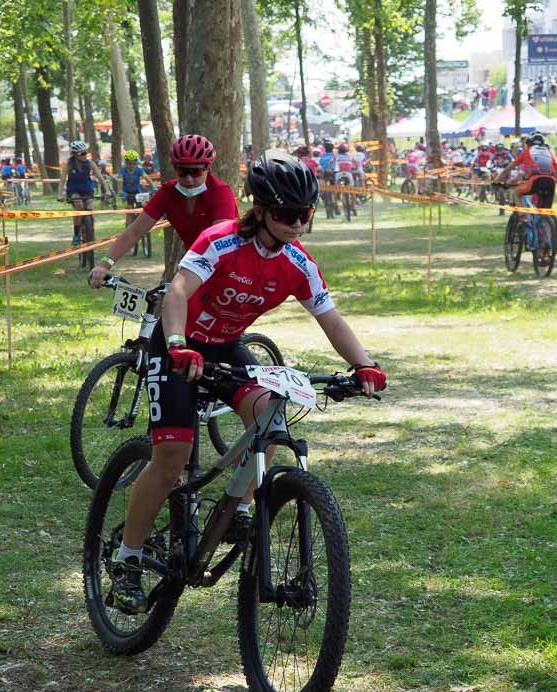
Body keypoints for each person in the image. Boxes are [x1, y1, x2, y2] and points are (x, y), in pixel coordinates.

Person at [95, 150, 386, 614]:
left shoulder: (298, 261)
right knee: (171, 459)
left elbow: (330, 318)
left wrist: (363, 364)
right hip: (177, 343)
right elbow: (177, 292)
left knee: (270, 413)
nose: (298, 224)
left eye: (306, 214)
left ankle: (239, 509)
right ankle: (127, 558)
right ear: (262, 210)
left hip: (225, 346)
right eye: (288, 214)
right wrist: (177, 343)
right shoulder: (221, 241)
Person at [88, 134, 237, 287]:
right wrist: (104, 264)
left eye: (196, 172)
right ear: (174, 168)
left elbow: (221, 243)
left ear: (207, 168)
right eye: (182, 171)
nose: (189, 179)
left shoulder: (220, 193)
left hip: (229, 268)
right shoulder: (168, 193)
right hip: (196, 266)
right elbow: (135, 231)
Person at [58, 140, 110, 246]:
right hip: (73, 190)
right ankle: (76, 234)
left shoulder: (90, 163)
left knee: (90, 208)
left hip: (87, 189)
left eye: (85, 152)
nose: (84, 155)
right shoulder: (69, 165)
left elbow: (100, 178)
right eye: (81, 153)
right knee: (79, 206)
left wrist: (107, 190)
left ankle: (91, 231)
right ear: (74, 154)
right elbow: (62, 180)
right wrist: (60, 194)